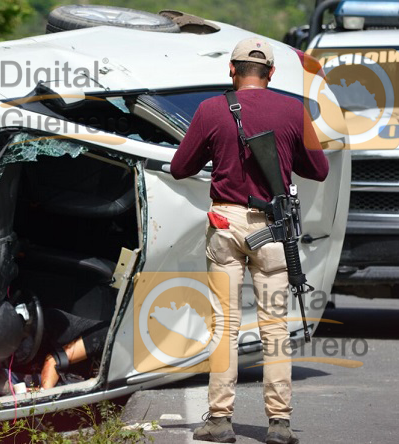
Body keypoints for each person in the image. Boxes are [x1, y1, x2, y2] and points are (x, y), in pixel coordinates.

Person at [170, 38, 329, 444]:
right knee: (275, 328)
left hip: (225, 224)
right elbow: (320, 170)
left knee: (224, 325)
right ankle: (278, 424)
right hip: (272, 230)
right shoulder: (292, 109)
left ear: (231, 69)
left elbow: (179, 166)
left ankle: (220, 420)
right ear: (271, 74)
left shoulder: (210, 110)